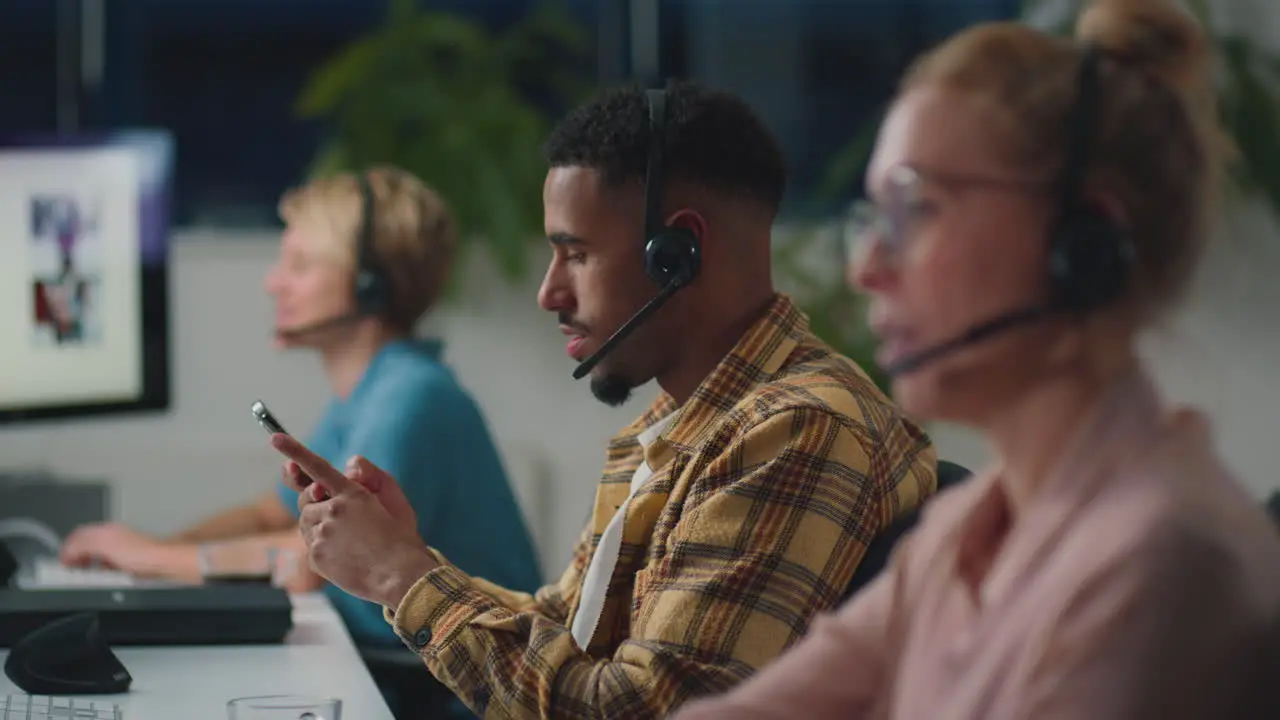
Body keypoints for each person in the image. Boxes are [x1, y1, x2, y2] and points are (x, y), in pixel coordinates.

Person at [672, 1, 1280, 718]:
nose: (866, 267)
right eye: (871, 219)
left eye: (915, 208)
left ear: (1081, 244)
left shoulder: (1159, 561)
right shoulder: (966, 530)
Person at [270, 80, 938, 718]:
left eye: (576, 254)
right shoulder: (687, 423)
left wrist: (403, 577)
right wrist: (403, 557)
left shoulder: (794, 431)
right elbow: (566, 628)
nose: (549, 293)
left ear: (679, 252)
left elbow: (642, 711)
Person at [61, 166, 542, 650]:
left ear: (369, 284)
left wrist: (147, 558)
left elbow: (313, 557)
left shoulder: (412, 399)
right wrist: (154, 553)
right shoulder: (367, 393)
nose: (274, 283)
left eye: (300, 265)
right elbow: (269, 513)